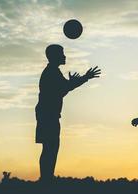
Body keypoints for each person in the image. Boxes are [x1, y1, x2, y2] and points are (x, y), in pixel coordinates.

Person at [35, 44, 101, 183]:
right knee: (50, 148)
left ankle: (46, 178)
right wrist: (85, 77)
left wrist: (73, 82)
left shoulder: (53, 71)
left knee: (49, 148)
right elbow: (65, 88)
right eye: (61, 53)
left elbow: (63, 89)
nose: (64, 56)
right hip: (48, 115)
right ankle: (46, 180)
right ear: (54, 56)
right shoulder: (52, 72)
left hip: (47, 114)